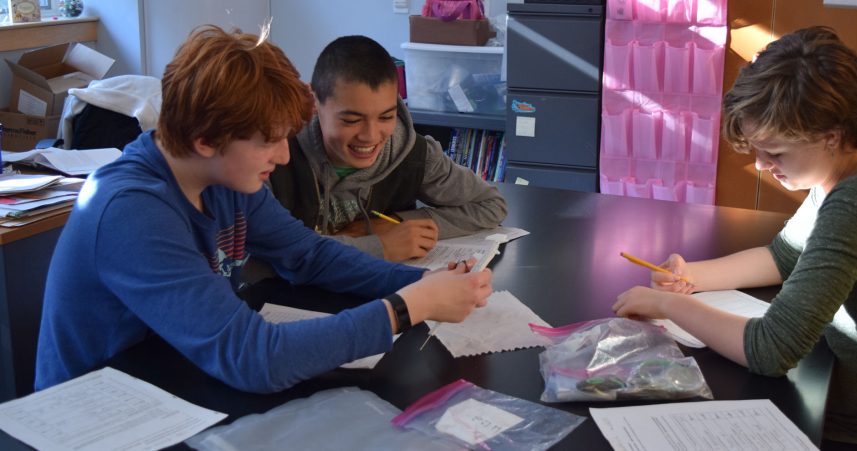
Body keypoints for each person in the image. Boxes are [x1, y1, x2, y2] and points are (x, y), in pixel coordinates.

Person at [35, 25, 492, 394]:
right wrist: (402, 309)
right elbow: (253, 358)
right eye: (268, 141)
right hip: (100, 416)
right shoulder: (131, 212)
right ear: (206, 140)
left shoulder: (225, 177)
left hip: (177, 385)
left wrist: (424, 282)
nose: (285, 155)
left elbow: (309, 255)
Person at [612, 27, 857, 450]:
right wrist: (690, 275)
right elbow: (783, 256)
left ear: (831, 135)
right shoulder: (849, 178)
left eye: (775, 153)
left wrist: (669, 304)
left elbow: (771, 349)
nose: (760, 165)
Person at [268, 35, 508, 262]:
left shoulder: (414, 154)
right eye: (351, 120)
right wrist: (380, 246)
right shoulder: (272, 158)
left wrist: (394, 223)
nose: (370, 136)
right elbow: (275, 252)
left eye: (386, 117)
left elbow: (490, 205)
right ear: (314, 102)